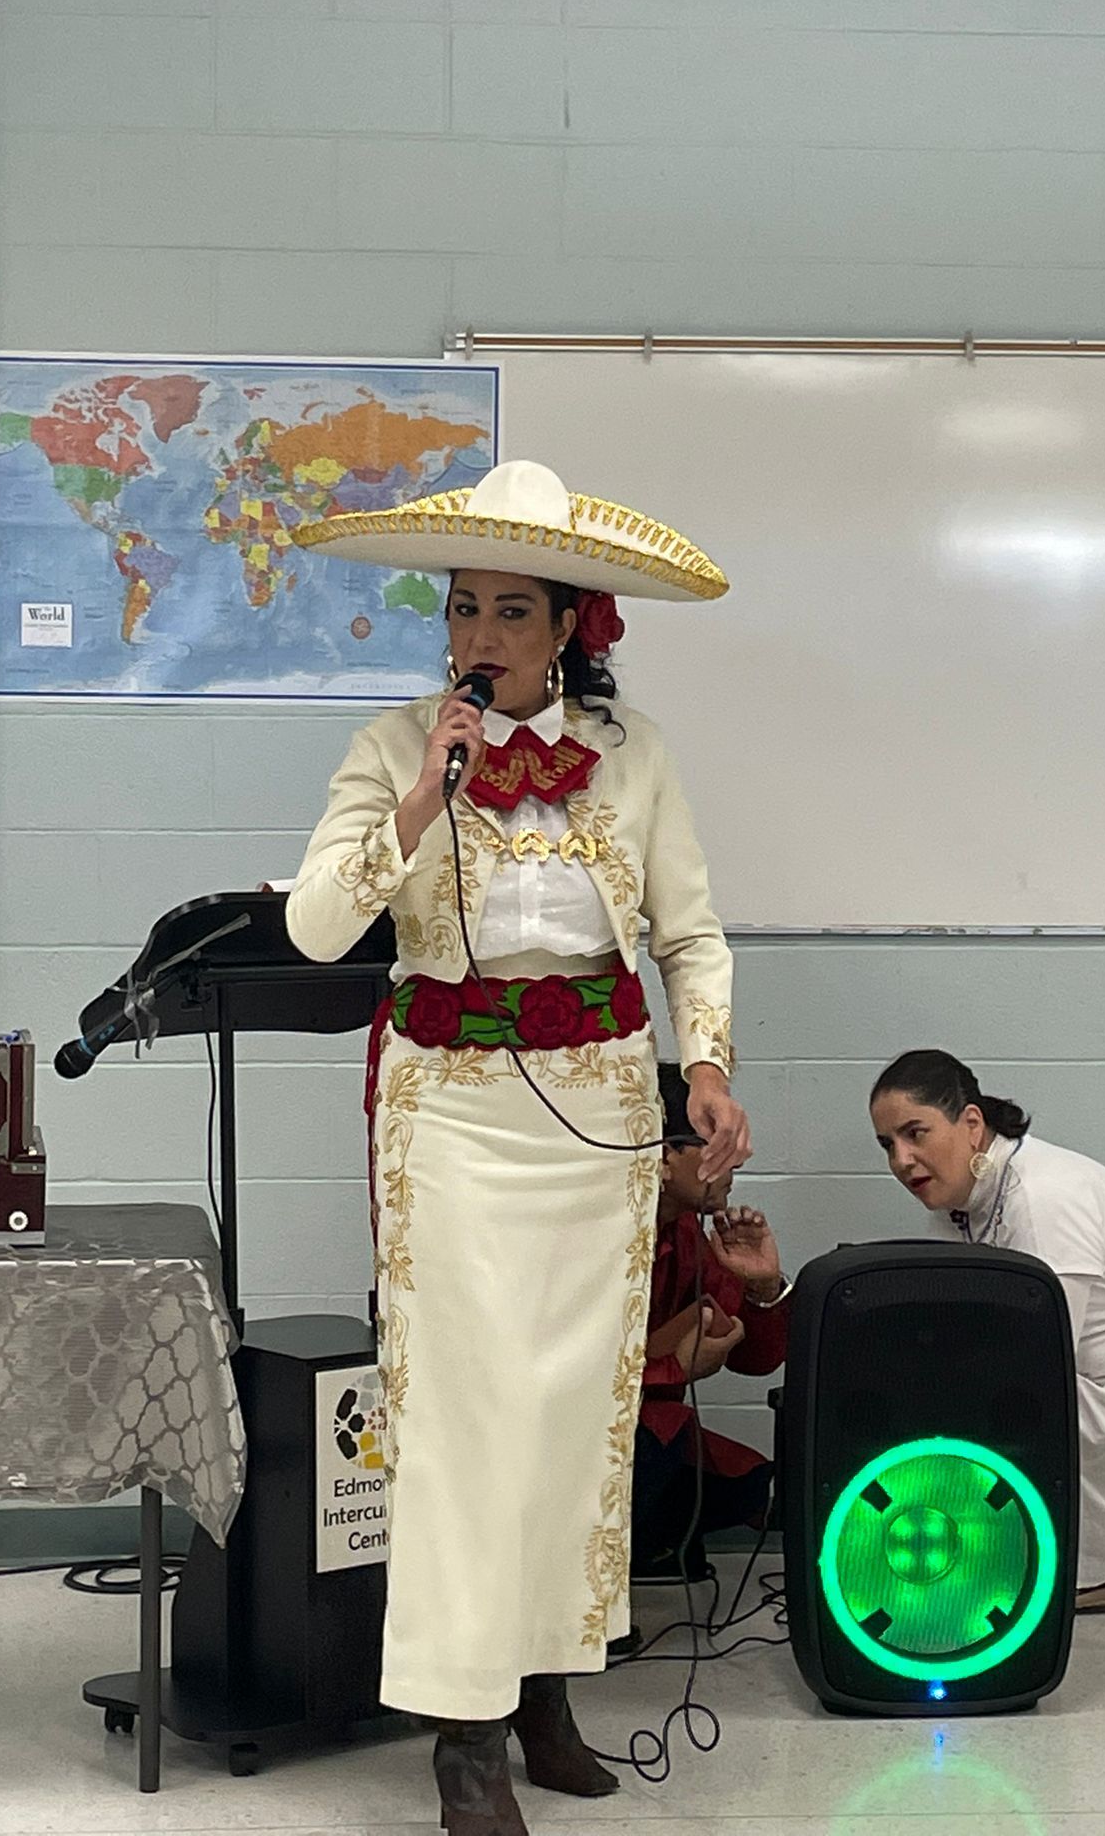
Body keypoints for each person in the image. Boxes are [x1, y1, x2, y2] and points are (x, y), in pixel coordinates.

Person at [286, 460, 749, 1836]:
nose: (477, 637)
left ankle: (548, 1678)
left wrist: (707, 1063)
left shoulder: (638, 756)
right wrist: (422, 802)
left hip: (601, 1106)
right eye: (462, 608)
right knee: (463, 1420)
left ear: (569, 631)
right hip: (453, 1108)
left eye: (509, 613)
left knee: (573, 1415)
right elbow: (317, 928)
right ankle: (461, 1727)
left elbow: (690, 936)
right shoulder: (392, 748)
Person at [869, 1048, 1105, 1612]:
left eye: (915, 1132)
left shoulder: (1044, 1197)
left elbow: (1042, 1353)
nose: (901, 1159)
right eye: (888, 1144)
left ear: (971, 1124)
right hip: (1095, 1372)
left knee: (994, 1403)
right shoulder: (962, 1202)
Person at [633, 1060, 790, 1582]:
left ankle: (645, 1555)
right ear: (663, 1155)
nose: (739, 1157)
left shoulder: (685, 1231)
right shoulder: (591, 1238)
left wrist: (764, 1284)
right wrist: (674, 1370)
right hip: (575, 1444)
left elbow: (757, 1359)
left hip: (649, 1434)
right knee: (664, 1432)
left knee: (744, 1483)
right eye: (718, 1141)